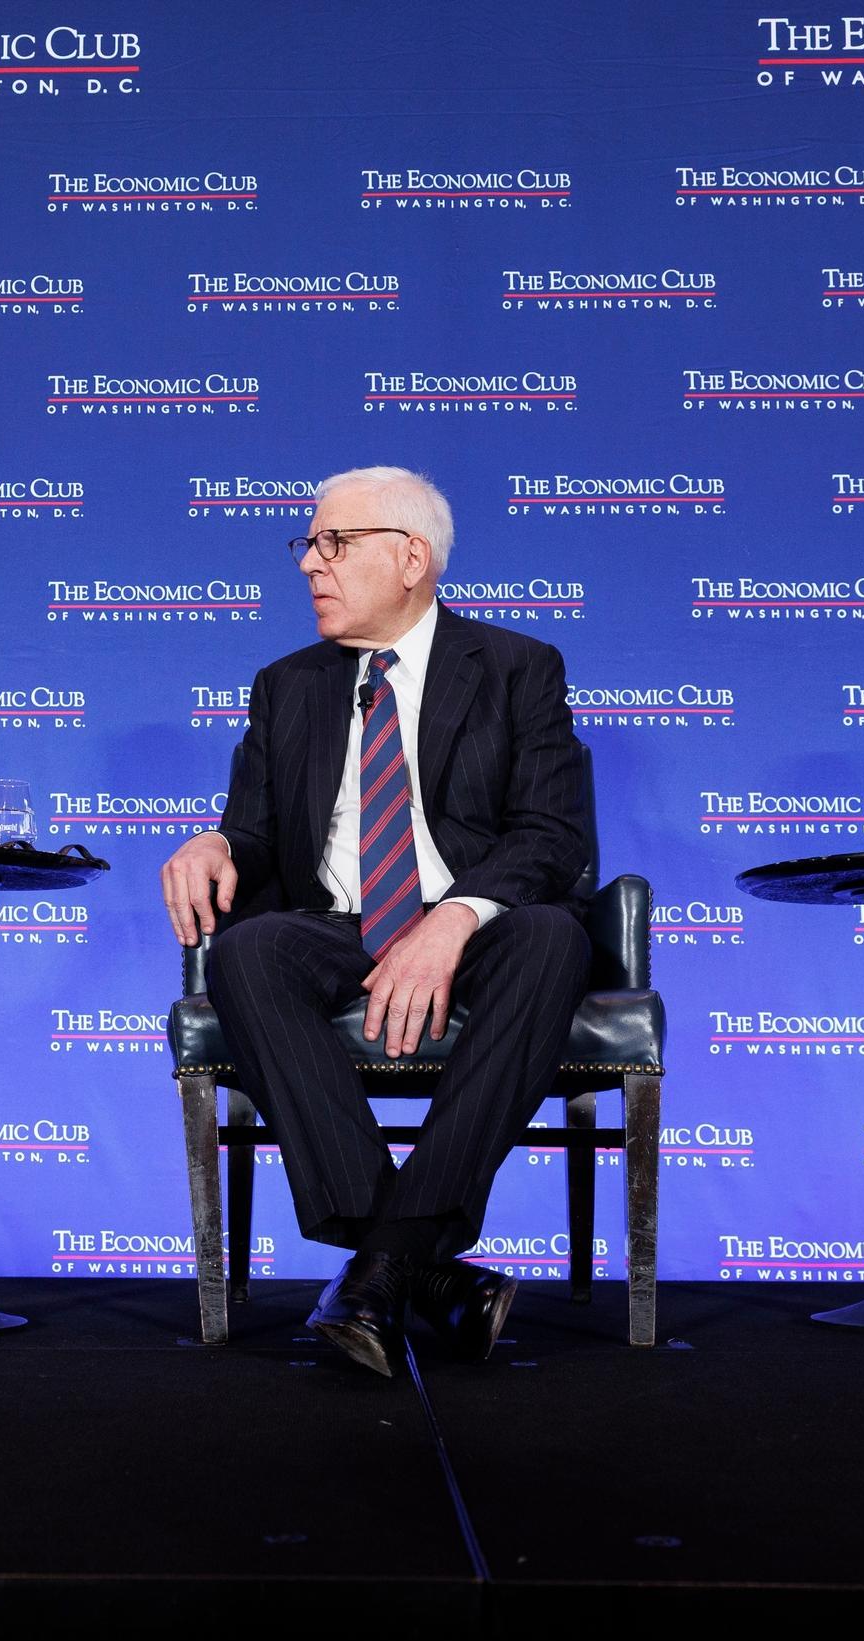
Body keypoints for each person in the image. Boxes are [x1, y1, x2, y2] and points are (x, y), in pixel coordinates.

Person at [158, 466, 589, 1377]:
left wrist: (454, 918)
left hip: (478, 926)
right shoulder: (287, 684)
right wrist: (214, 841)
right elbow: (256, 829)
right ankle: (419, 1269)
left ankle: (379, 1270)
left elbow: (551, 836)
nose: (310, 565)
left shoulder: (517, 668)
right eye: (307, 546)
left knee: (551, 936)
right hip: (337, 924)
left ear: (410, 559)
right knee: (247, 952)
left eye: (333, 543)